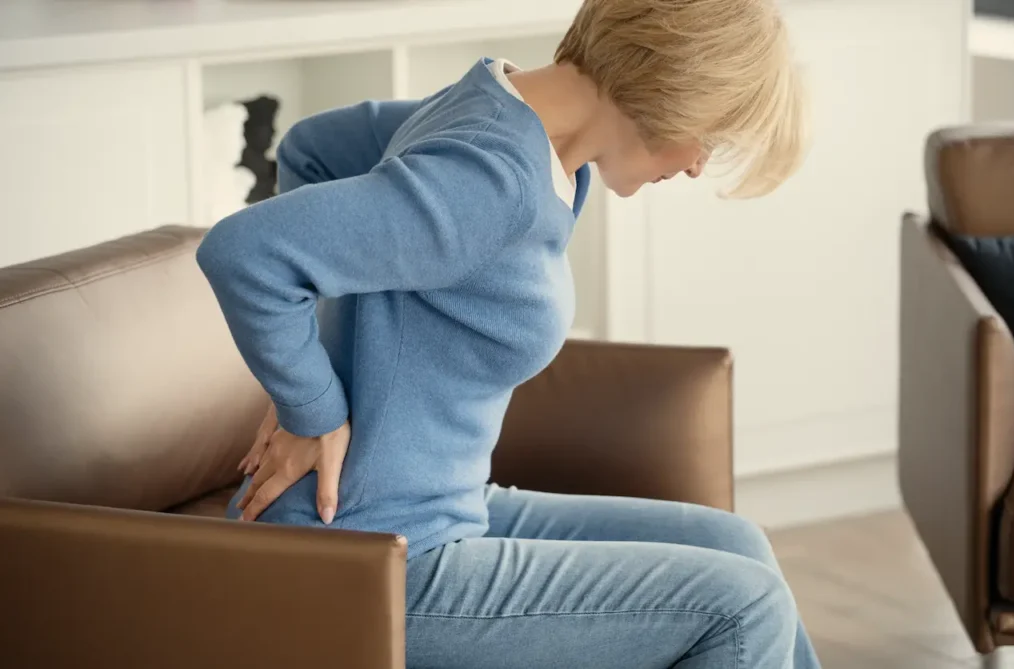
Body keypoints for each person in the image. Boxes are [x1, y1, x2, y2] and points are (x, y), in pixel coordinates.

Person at [196, 0, 817, 665]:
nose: (698, 164)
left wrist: (325, 355)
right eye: (712, 136)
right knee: (745, 606)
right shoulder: (493, 181)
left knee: (737, 545)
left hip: (438, 508)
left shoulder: (504, 111)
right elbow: (247, 252)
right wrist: (312, 405)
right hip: (372, 553)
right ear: (677, 85)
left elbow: (310, 149)